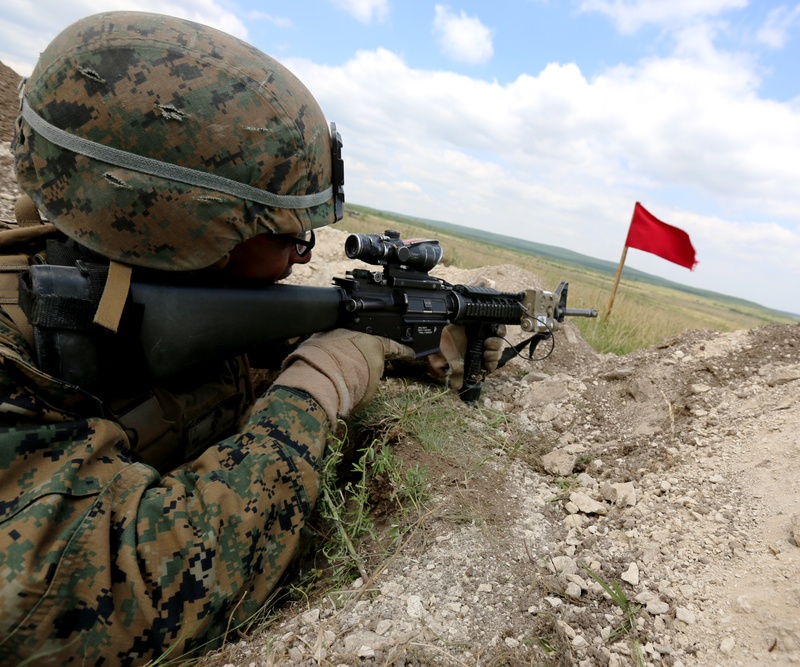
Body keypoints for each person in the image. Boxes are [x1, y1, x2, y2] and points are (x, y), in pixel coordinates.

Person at [0, 11, 495, 665]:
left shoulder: (127, 289)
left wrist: (409, 340)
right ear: (182, 229)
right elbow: (113, 601)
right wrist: (315, 389)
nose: (298, 258)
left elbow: (233, 378)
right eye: (290, 236)